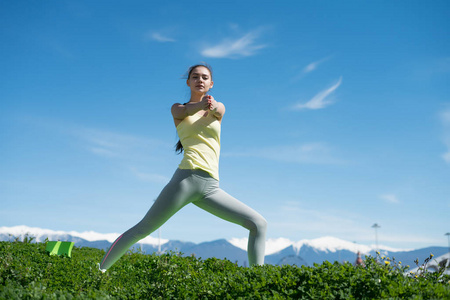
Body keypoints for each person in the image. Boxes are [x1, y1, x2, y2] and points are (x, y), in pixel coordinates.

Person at [98, 64, 267, 272]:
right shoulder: (178, 109)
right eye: (195, 77)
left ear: (211, 84)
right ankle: (99, 271)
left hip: (211, 187)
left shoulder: (217, 109)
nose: (200, 80)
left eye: (205, 77)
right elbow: (187, 110)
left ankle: (258, 280)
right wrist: (202, 105)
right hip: (186, 180)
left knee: (258, 224)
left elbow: (219, 109)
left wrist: (212, 106)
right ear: (188, 82)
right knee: (143, 229)